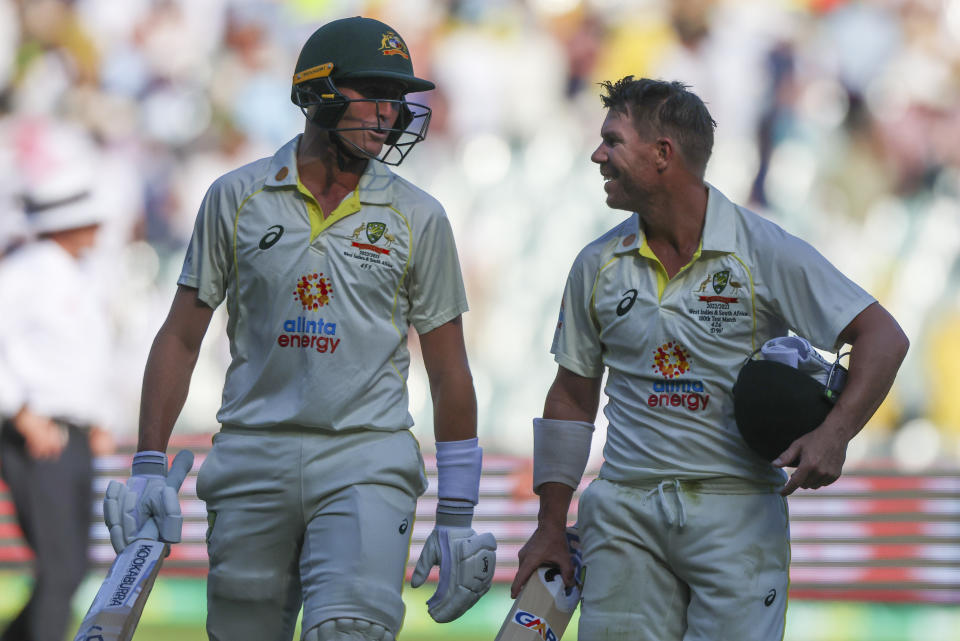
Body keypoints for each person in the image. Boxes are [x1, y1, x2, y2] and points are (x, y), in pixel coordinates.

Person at [100, 16, 496, 641]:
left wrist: (457, 511)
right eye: (373, 93)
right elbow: (180, 335)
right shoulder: (236, 196)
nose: (389, 114)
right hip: (252, 452)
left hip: (367, 456)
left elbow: (449, 371)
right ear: (319, 92)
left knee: (348, 632)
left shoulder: (419, 216)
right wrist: (148, 463)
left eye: (397, 98)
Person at [510, 77, 909, 641]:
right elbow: (573, 395)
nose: (598, 155)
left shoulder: (762, 249)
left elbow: (884, 337)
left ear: (662, 154)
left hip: (737, 511)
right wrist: (550, 525)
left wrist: (836, 432)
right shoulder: (596, 263)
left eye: (613, 141)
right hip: (625, 510)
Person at [0, 164, 116, 641]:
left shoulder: (79, 274)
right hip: (37, 433)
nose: (99, 227)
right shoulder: (26, 271)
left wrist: (98, 419)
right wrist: (22, 411)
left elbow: (86, 358)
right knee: (61, 566)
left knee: (69, 567)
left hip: (73, 432)